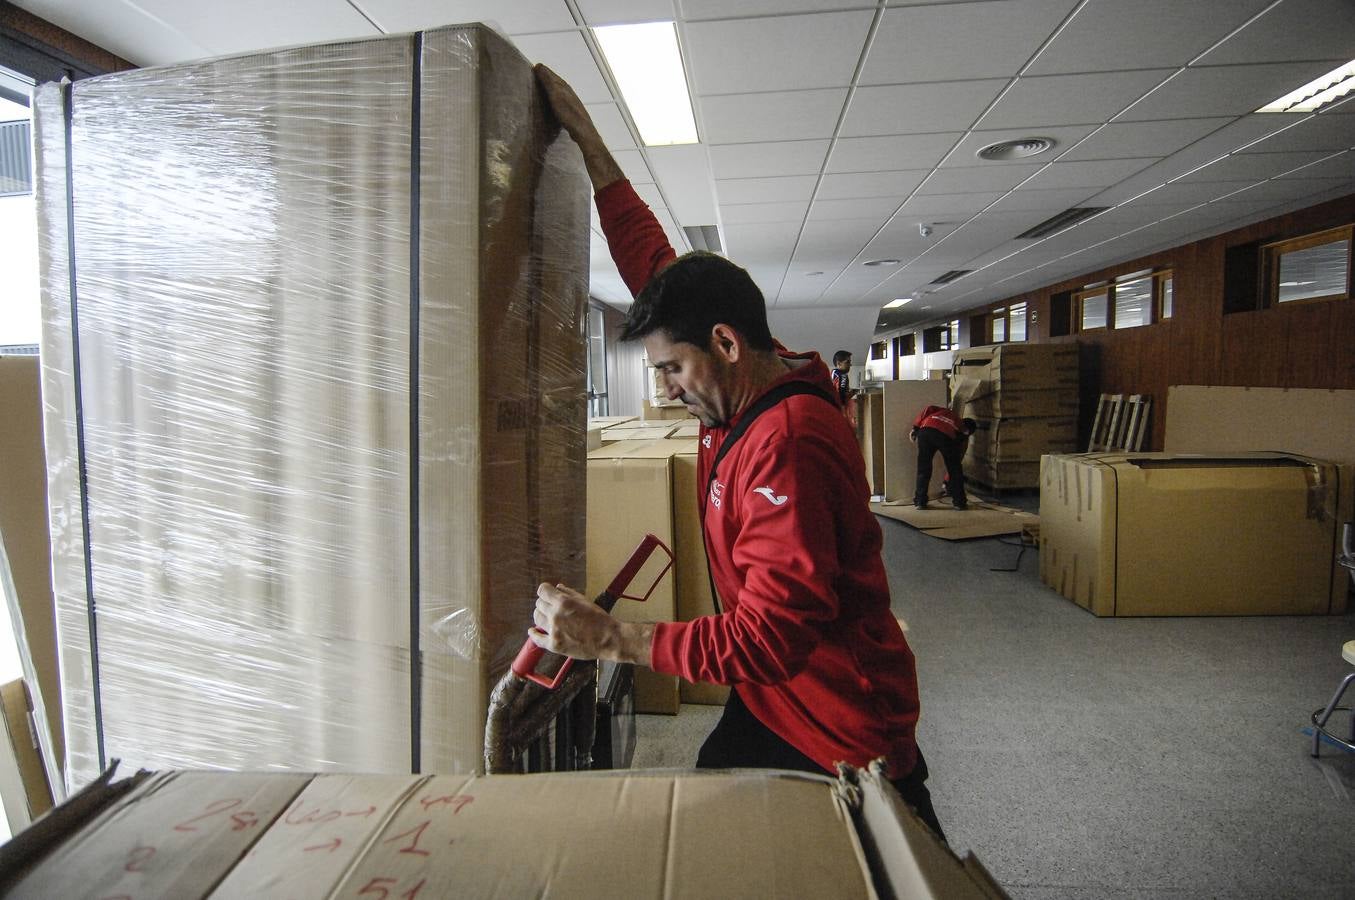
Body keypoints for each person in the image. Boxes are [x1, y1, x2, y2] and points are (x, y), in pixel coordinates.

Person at [527, 64, 944, 840]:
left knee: (904, 862)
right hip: (774, 698)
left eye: (671, 369)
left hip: (841, 722)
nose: (668, 388)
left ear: (723, 344)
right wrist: (589, 144)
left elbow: (770, 636)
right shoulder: (748, 364)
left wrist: (611, 637)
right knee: (718, 823)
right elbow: (657, 265)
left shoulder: (786, 443)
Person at [909, 406, 976, 511]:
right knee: (955, 470)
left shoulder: (944, 411)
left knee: (923, 469)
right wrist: (947, 482)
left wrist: (915, 428)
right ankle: (959, 503)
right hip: (944, 435)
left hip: (925, 431)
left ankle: (920, 501)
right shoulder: (961, 424)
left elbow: (929, 408)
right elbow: (955, 459)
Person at [830, 350, 859, 429]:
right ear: (839, 363)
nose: (850, 364)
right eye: (847, 362)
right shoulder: (842, 375)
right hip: (840, 408)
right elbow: (841, 393)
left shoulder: (834, 373)